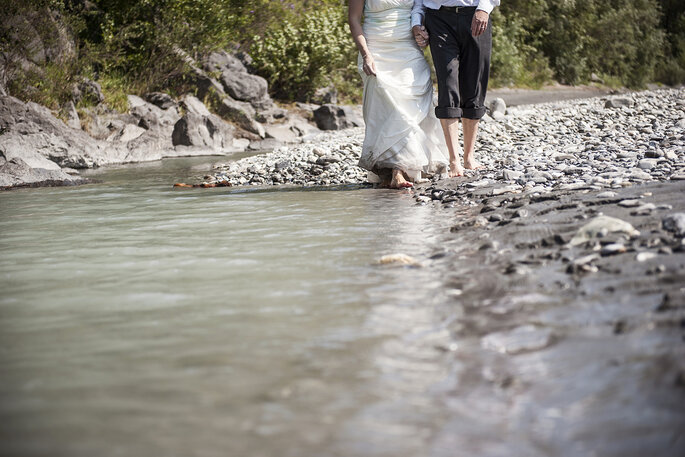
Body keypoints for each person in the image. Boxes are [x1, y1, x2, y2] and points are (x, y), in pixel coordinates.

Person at [349, 0, 449, 189]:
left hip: (407, 48)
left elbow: (422, 11)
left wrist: (422, 32)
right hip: (376, 49)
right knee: (389, 108)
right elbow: (354, 20)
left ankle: (398, 170)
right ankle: (396, 171)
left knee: (413, 103)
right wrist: (366, 55)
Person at [411, 0, 500, 177]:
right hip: (438, 19)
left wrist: (484, 8)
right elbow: (419, 1)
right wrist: (416, 22)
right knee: (447, 82)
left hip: (475, 15)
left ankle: (469, 157)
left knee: (475, 84)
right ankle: (454, 160)